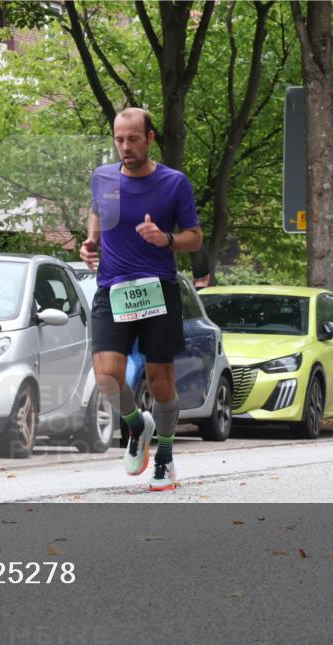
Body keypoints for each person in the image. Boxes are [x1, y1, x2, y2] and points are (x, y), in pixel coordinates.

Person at [80, 108, 203, 491]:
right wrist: (91, 241)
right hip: (112, 290)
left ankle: (164, 457)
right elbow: (96, 210)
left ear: (150, 138)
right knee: (107, 379)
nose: (125, 146)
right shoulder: (103, 177)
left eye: (133, 139)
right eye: (119, 139)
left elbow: (195, 237)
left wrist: (166, 239)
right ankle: (137, 425)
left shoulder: (174, 183)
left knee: (161, 384)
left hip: (157, 291)